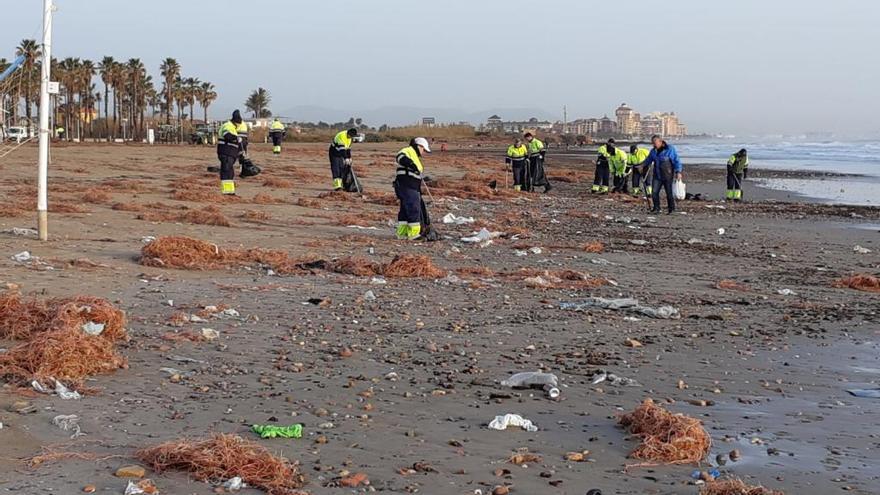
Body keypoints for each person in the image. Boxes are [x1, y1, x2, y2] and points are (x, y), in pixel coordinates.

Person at [394, 137, 431, 240]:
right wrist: (411, 164)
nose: (423, 152)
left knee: (405, 210)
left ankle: (402, 233)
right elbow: (400, 157)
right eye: (423, 149)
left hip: (410, 185)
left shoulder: (414, 156)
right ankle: (413, 234)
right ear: (419, 146)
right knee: (413, 208)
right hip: (407, 185)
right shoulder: (408, 150)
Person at [642, 134, 683, 214]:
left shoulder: (670, 149)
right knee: (654, 192)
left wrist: (678, 172)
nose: (653, 144)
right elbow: (648, 160)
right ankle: (657, 208)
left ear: (660, 141)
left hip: (667, 175)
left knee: (669, 193)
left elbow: (676, 160)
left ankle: (672, 209)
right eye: (652, 143)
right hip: (657, 175)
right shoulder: (653, 151)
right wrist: (641, 165)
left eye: (655, 142)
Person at [216, 110, 242, 195]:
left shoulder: (232, 127)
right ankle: (227, 192)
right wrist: (236, 138)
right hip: (226, 152)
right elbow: (227, 135)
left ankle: (230, 191)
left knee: (230, 172)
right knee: (226, 172)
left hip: (230, 153)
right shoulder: (228, 126)